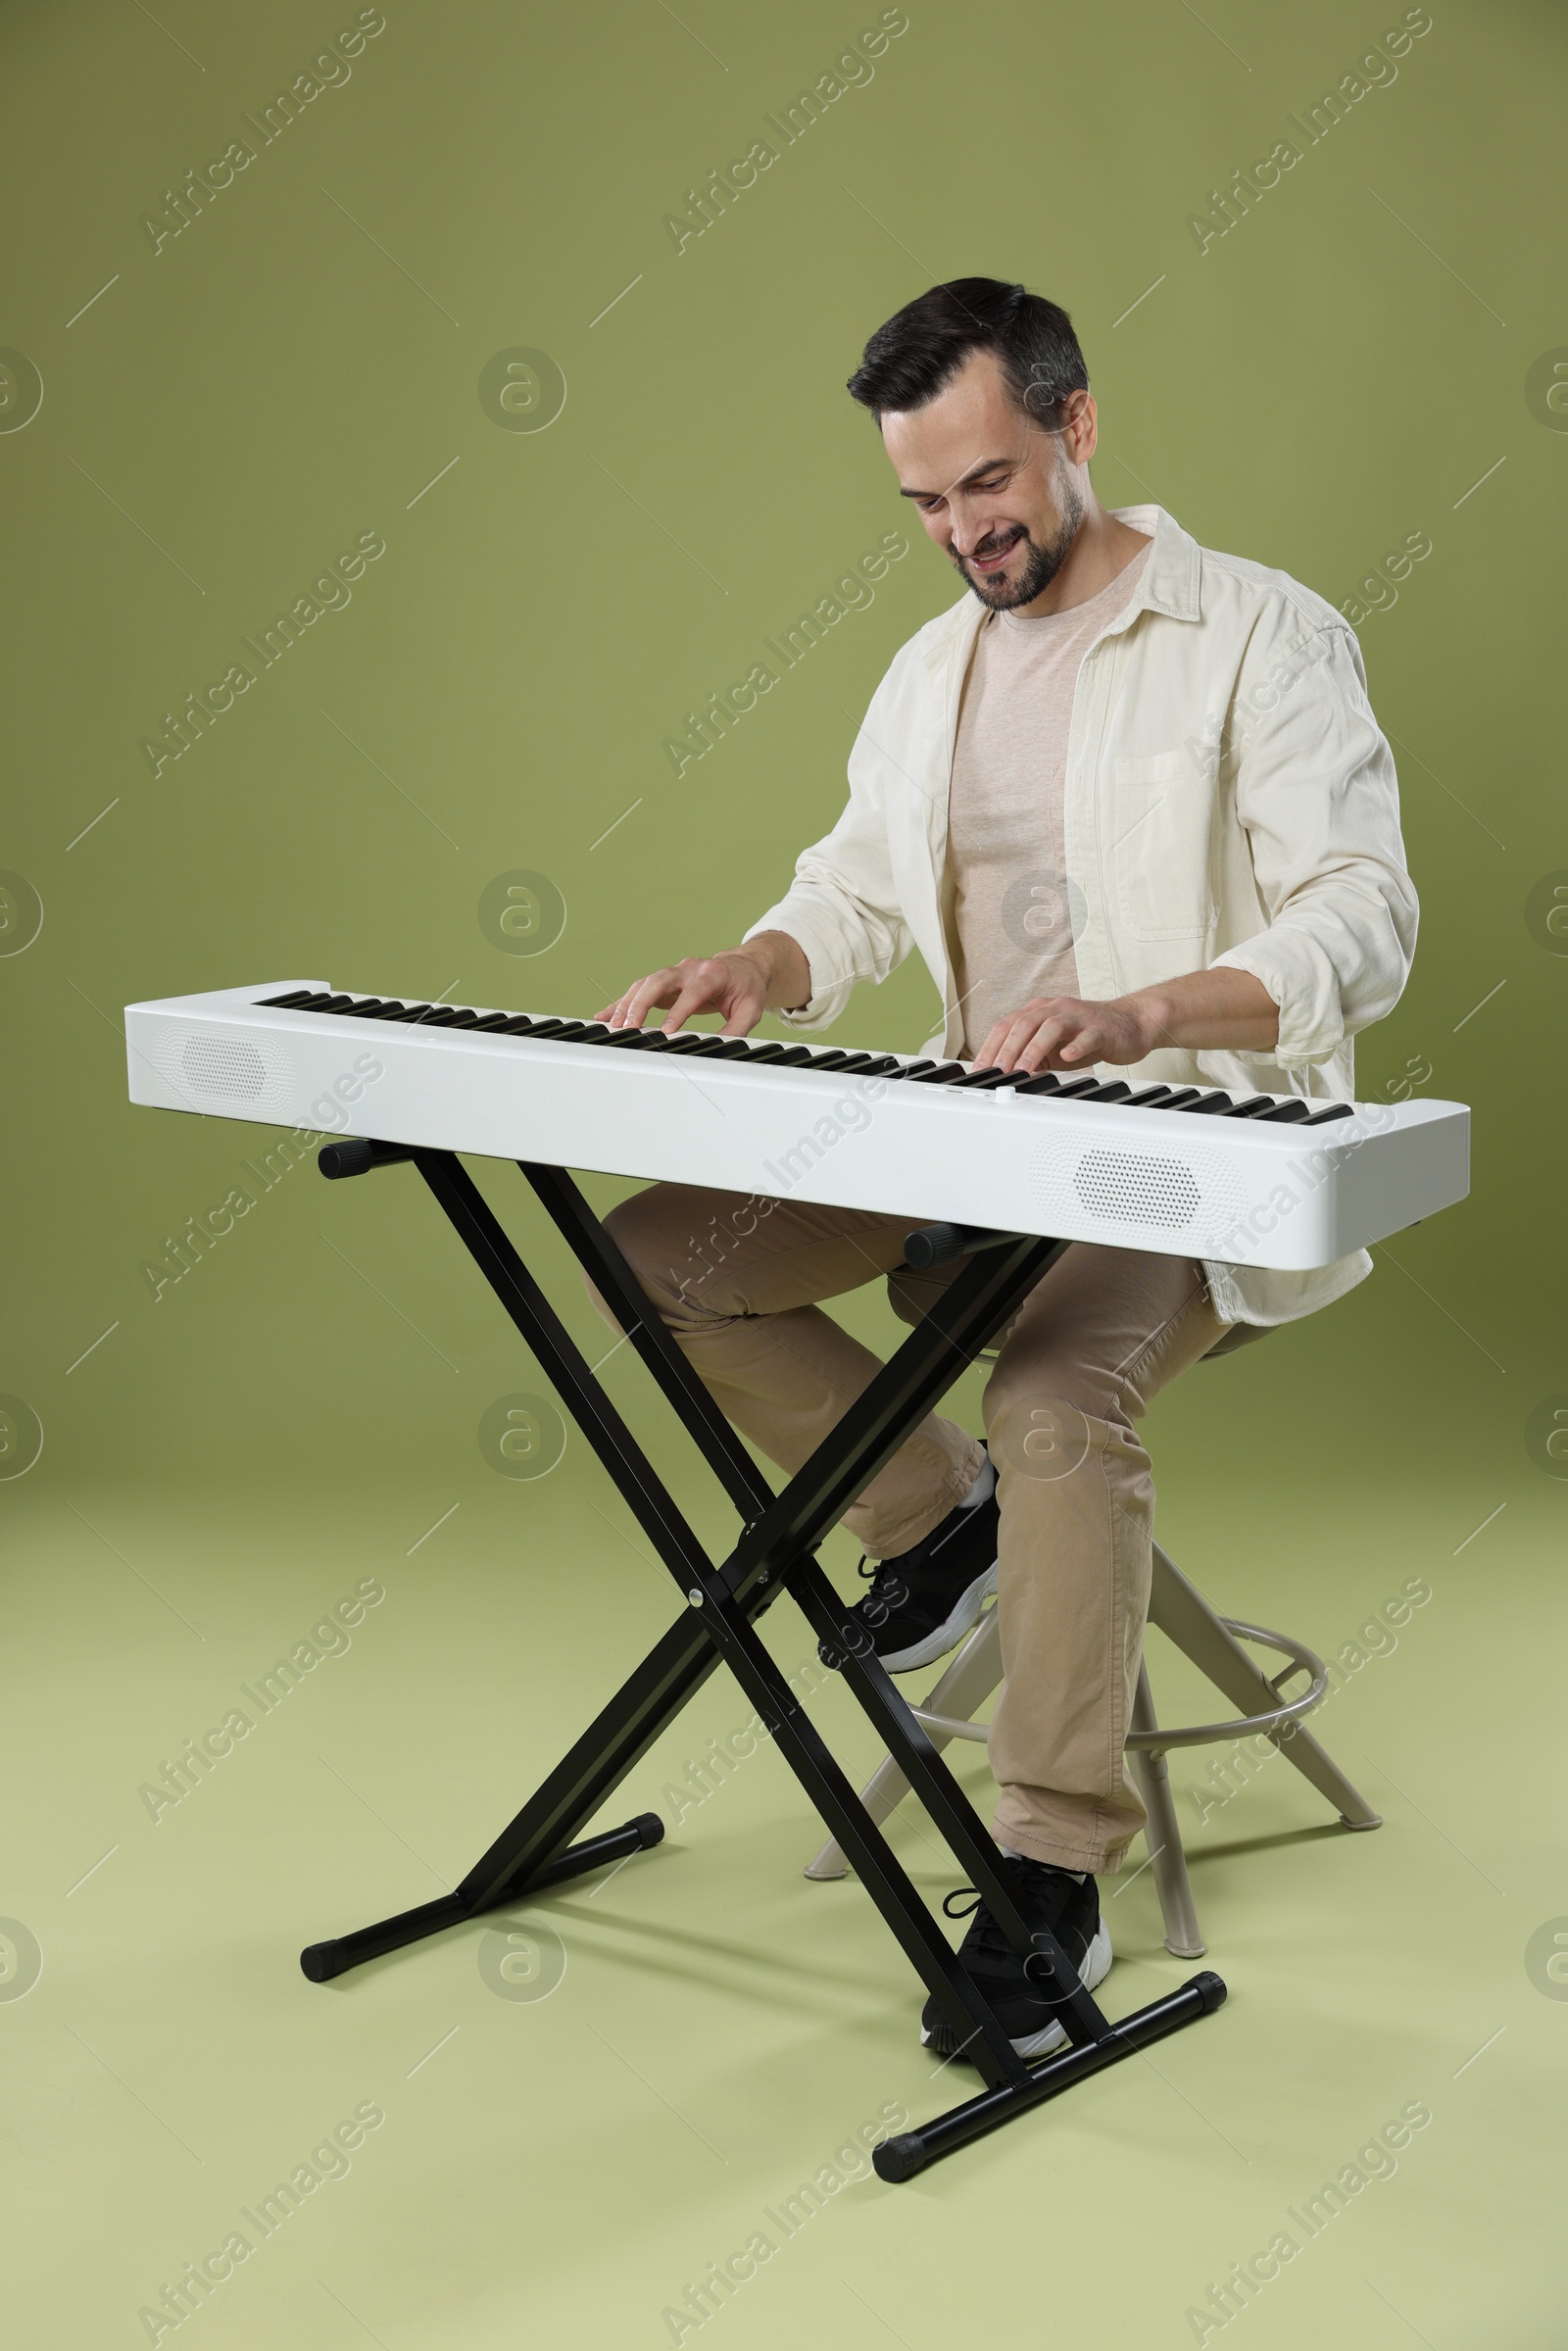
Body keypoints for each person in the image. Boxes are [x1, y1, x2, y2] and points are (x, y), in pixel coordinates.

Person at [590, 278, 1417, 2060]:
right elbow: (861, 887)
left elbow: (1365, 920)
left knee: (1056, 1404)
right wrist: (764, 962)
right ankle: (933, 1521)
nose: (964, 532)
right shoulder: (932, 667)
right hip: (977, 1134)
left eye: (988, 483)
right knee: (658, 1253)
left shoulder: (1261, 634)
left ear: (1078, 425)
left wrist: (1143, 1011)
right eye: (925, 503)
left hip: (1190, 1148)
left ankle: (1050, 1869)